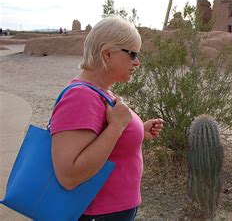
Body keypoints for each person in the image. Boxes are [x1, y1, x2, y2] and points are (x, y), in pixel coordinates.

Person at [50, 16, 164, 220]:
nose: (137, 62)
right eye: (133, 54)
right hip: (99, 213)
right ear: (107, 53)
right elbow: (68, 175)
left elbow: (103, 143)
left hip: (111, 211)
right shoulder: (80, 96)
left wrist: (138, 132)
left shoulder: (100, 92)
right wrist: (116, 128)